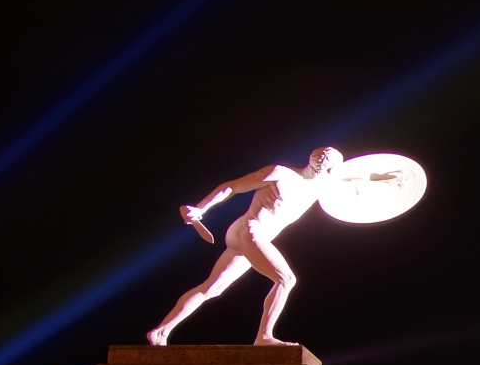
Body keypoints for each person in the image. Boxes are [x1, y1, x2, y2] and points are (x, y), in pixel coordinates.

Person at [147, 146, 344, 347]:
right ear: (311, 159)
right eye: (319, 160)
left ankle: (161, 331)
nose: (321, 165)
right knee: (286, 280)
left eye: (326, 163)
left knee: (212, 288)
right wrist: (201, 208)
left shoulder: (323, 186)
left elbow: (365, 177)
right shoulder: (281, 173)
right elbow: (234, 186)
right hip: (251, 230)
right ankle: (264, 337)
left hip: (253, 235)